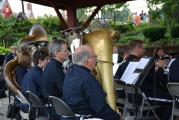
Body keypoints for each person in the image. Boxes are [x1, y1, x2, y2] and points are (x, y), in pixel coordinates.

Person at [63, 45, 120, 120]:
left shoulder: (70, 71)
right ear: (87, 60)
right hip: (85, 117)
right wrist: (117, 117)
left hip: (72, 115)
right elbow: (101, 109)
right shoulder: (87, 78)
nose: (96, 59)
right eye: (95, 56)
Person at [41, 39, 70, 120]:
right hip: (57, 110)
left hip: (53, 105)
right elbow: (65, 90)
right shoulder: (55, 69)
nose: (69, 52)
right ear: (57, 53)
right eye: (65, 50)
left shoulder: (51, 65)